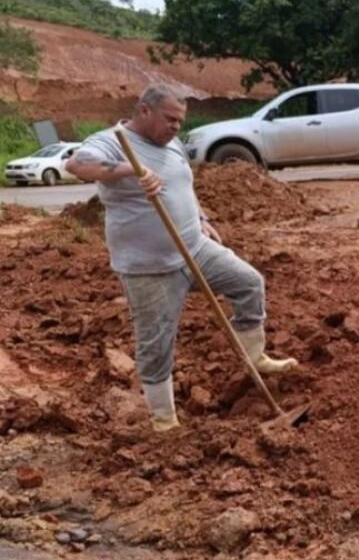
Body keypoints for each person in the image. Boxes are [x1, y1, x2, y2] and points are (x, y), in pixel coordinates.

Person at [66, 84, 296, 432]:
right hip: (149, 268)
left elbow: (182, 185)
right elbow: (76, 164)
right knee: (156, 345)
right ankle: (165, 421)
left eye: (180, 120)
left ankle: (253, 357)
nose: (175, 127)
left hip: (194, 249)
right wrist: (132, 171)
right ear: (144, 110)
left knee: (249, 283)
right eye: (169, 118)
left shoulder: (169, 142)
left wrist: (202, 218)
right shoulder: (112, 141)